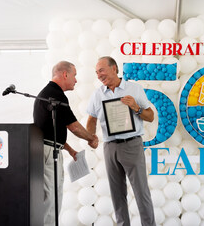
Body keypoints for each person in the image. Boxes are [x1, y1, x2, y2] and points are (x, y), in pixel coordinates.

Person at [86, 56, 156, 226]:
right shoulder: (97, 94)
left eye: (101, 70)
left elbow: (151, 117)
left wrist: (136, 108)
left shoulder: (134, 89)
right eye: (96, 72)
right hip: (110, 147)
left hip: (132, 144)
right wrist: (90, 137)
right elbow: (91, 120)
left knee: (141, 192)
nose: (99, 75)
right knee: (117, 194)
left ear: (114, 69)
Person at [33, 61, 98, 226]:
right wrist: (91, 138)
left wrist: (69, 149)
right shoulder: (55, 95)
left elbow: (51, 129)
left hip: (49, 149)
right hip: (48, 153)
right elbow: (74, 127)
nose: (76, 80)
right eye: (74, 75)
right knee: (50, 198)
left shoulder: (48, 93)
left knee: (53, 195)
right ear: (65, 74)